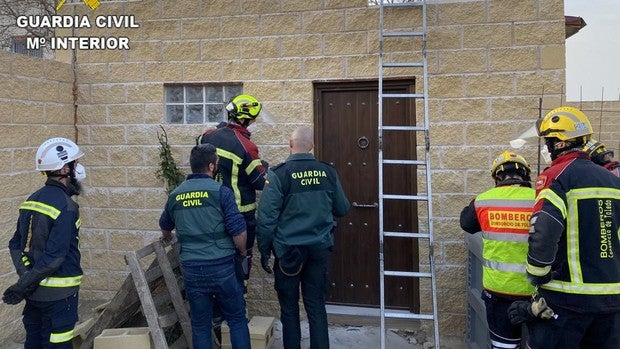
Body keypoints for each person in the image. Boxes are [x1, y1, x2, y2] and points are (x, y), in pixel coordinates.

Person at [523, 106, 620, 349]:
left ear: (560, 143)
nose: (547, 147)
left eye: (548, 141)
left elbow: (544, 229)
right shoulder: (612, 181)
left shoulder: (557, 176)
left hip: (568, 301)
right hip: (611, 300)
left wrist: (537, 274)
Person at [256, 126, 350, 349]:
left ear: (290, 144)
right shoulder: (327, 172)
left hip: (289, 253)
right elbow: (343, 208)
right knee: (316, 305)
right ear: (312, 146)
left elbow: (267, 219)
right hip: (318, 249)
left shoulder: (279, 175)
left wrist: (264, 250)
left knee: (289, 308)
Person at [159, 144, 251, 349]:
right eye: (216, 162)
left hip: (193, 269)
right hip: (223, 267)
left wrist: (166, 238)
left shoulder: (176, 195)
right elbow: (239, 233)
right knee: (236, 320)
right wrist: (242, 252)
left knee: (200, 325)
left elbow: (165, 226)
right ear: (211, 166)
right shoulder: (221, 192)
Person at [2, 137, 86, 348]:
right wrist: (25, 283)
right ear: (65, 169)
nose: (77, 169)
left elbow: (15, 245)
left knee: (33, 343)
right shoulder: (66, 206)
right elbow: (55, 257)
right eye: (74, 164)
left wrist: (26, 279)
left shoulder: (31, 199)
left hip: (34, 295)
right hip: (60, 299)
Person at [460, 150, 536, 349]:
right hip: (538, 293)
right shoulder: (541, 199)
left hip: (499, 291)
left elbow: (466, 224)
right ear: (526, 175)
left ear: (497, 177)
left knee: (504, 346)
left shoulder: (484, 200)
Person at [196, 93, 268, 282]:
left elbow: (200, 145)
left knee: (215, 258)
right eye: (252, 118)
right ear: (245, 118)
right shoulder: (246, 146)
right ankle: (239, 301)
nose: (253, 121)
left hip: (209, 209)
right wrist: (265, 166)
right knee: (241, 261)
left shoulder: (207, 136)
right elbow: (261, 182)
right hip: (240, 215)